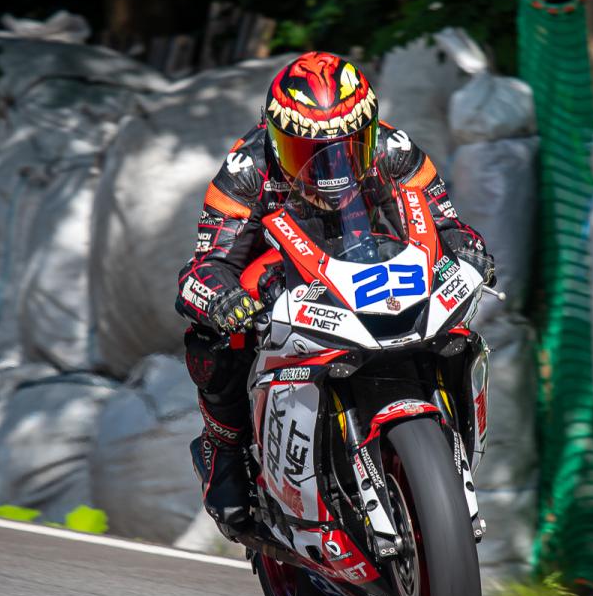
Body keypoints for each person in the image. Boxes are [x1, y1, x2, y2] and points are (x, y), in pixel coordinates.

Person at [174, 51, 494, 540]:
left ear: (369, 132)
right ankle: (225, 450)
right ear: (276, 139)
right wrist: (222, 299)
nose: (330, 170)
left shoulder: (394, 149)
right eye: (306, 152)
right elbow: (206, 264)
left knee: (458, 327)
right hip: (283, 280)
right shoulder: (245, 170)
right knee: (211, 338)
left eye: (348, 149)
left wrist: (469, 247)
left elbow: (445, 221)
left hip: (377, 271)